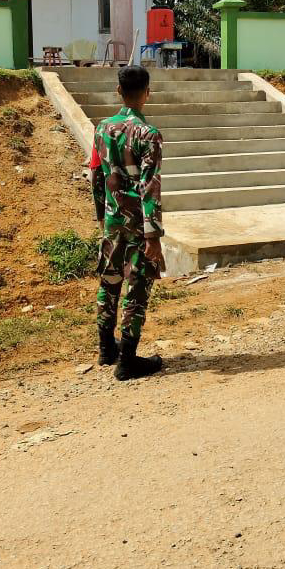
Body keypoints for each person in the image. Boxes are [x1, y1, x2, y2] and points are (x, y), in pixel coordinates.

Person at [89, 65, 165, 380]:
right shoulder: (149, 135)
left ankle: (107, 347)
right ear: (147, 93)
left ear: (119, 92)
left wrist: (101, 214)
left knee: (109, 281)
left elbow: (96, 174)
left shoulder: (102, 128)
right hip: (138, 224)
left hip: (112, 218)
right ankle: (128, 360)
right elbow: (150, 187)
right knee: (138, 286)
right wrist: (153, 236)